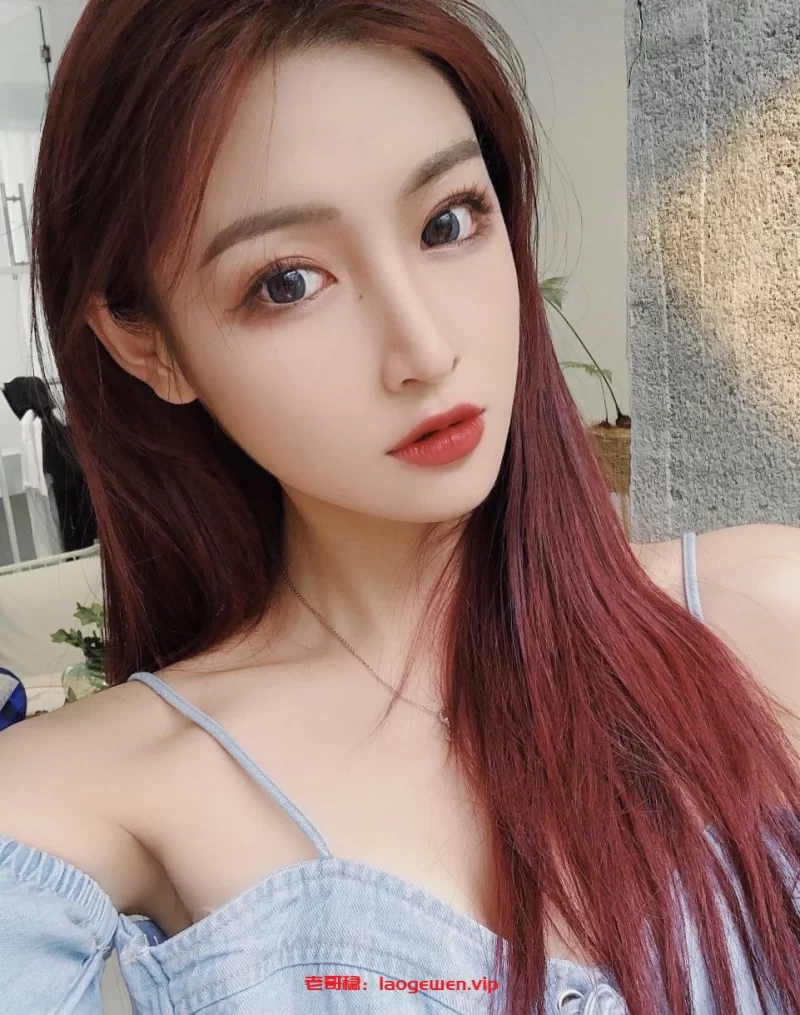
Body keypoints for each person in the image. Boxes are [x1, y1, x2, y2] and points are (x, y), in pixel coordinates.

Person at [0, 1, 798, 1013]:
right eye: (288, 281)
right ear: (145, 343)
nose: (424, 347)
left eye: (447, 222)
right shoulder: (95, 792)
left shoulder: (763, 618)